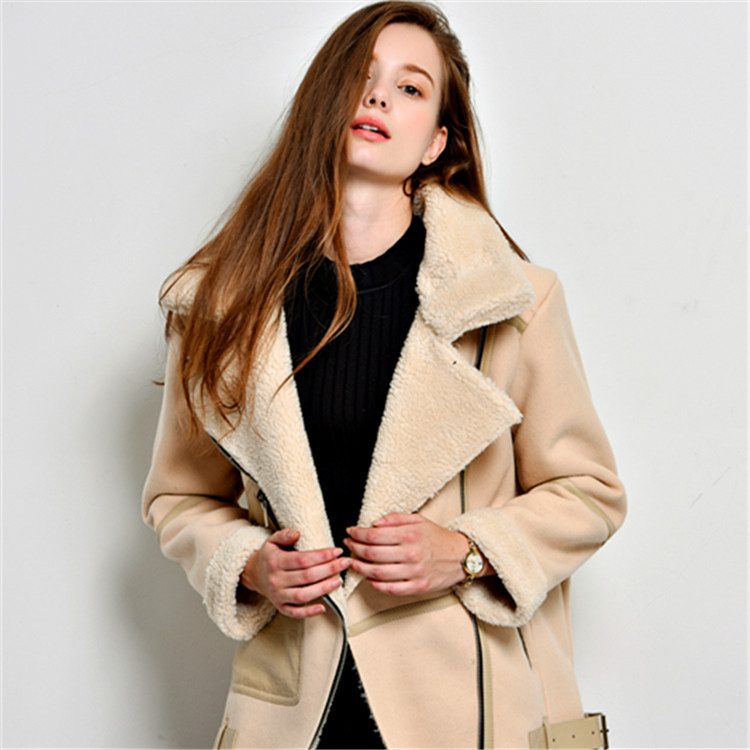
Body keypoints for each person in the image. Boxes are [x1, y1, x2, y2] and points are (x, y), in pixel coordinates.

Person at [142, 2, 626, 748]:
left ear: (436, 141)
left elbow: (590, 493)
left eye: (410, 87)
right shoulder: (220, 307)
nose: (378, 98)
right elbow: (180, 497)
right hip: (294, 707)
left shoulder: (513, 303)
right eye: (361, 78)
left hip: (466, 704)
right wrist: (246, 565)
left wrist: (466, 550)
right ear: (322, 103)